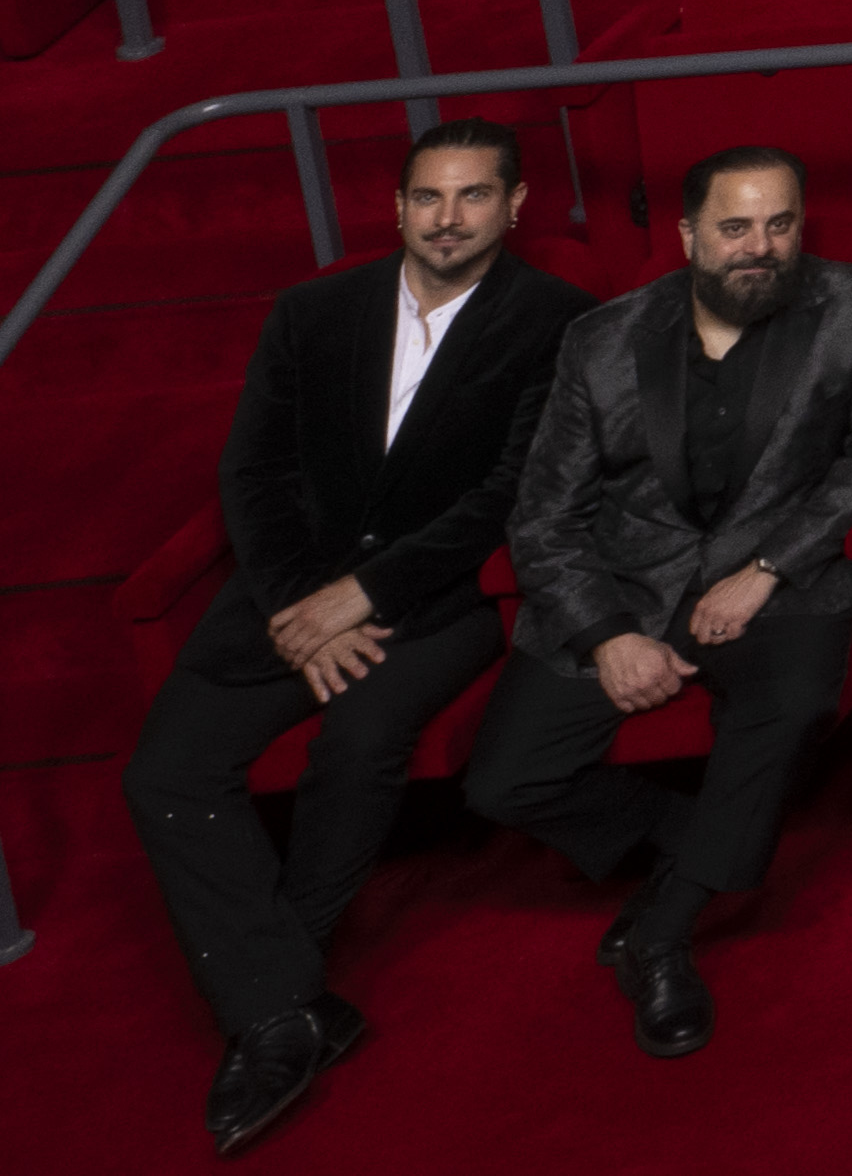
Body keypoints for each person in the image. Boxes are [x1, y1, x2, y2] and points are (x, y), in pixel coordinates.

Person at [136, 120, 592, 1145]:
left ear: (513, 206)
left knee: (357, 739)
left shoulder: (560, 320)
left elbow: (509, 493)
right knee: (164, 771)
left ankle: (266, 1010)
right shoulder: (312, 311)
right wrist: (309, 603)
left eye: (473, 194)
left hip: (442, 599)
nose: (447, 215)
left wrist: (369, 590)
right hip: (286, 592)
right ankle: (285, 1006)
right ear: (396, 205)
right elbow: (250, 472)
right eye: (428, 195)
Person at [466, 147, 852, 1057]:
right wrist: (605, 636)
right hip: (627, 583)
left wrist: (770, 569)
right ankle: (701, 837)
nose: (762, 246)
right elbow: (544, 513)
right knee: (502, 781)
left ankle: (664, 933)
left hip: (775, 580)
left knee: (787, 707)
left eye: (781, 224)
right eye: (736, 227)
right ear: (687, 236)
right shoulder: (602, 340)